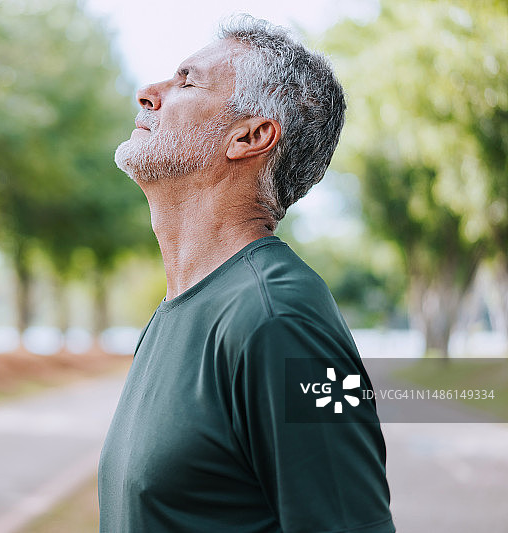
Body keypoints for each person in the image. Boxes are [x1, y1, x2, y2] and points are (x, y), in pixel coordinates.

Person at [98, 14, 395, 533]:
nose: (148, 92)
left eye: (186, 81)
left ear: (251, 136)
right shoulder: (181, 308)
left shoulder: (280, 319)